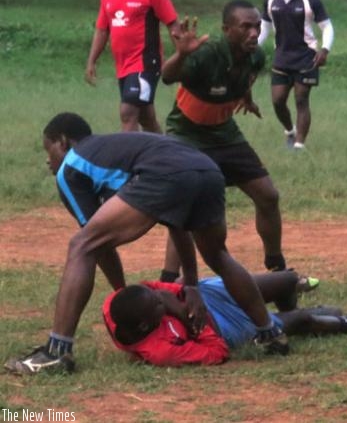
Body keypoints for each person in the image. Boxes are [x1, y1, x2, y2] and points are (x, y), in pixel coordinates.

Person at [4, 113, 290, 375]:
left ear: (63, 142)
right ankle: (269, 333)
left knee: (81, 245)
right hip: (206, 168)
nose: (48, 160)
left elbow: (95, 242)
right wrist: (188, 283)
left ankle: (56, 352)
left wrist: (121, 293)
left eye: (48, 150)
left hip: (169, 173)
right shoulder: (114, 148)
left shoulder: (71, 165)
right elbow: (176, 220)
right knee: (217, 254)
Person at [159, 0, 287, 277]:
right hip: (188, 133)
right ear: (227, 30)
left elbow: (244, 78)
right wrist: (181, 55)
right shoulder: (206, 54)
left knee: (268, 195)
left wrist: (247, 99)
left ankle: (277, 268)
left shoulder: (256, 56)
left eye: (256, 26)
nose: (254, 33)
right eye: (246, 27)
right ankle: (169, 278)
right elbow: (167, 77)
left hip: (225, 133)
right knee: (187, 205)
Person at [102, 270, 347, 367]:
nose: (160, 305)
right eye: (157, 310)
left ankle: (292, 315)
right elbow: (216, 353)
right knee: (303, 320)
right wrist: (200, 327)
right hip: (221, 329)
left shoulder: (116, 304)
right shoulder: (160, 351)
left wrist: (185, 294)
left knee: (287, 280)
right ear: (146, 326)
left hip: (208, 295)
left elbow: (157, 289)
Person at [84, 0, 180, 133]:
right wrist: (91, 61)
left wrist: (183, 58)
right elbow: (102, 30)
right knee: (146, 118)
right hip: (123, 66)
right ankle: (166, 155)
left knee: (128, 112)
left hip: (145, 63)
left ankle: (128, 160)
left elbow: (172, 24)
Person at [258, 0, 335, 151]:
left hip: (306, 57)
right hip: (281, 57)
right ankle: (289, 131)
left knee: (301, 100)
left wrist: (324, 50)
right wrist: (254, 46)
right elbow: (264, 27)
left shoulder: (311, 0)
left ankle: (299, 145)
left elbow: (327, 26)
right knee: (277, 101)